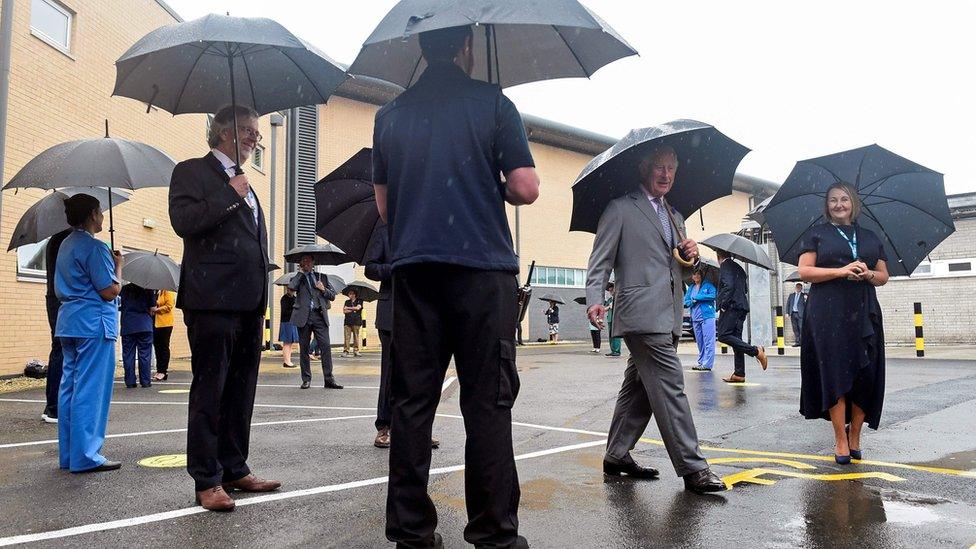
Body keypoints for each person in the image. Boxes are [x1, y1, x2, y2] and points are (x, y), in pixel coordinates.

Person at [372, 24, 540, 549]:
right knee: (486, 405)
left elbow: (383, 207)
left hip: (415, 271)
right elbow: (526, 188)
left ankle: (412, 532)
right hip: (480, 272)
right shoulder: (493, 104)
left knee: (411, 404)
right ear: (467, 46)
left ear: (421, 47)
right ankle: (493, 533)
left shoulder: (389, 115)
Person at [585, 145, 725, 495]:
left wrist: (690, 256)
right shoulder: (620, 209)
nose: (666, 175)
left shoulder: (675, 215)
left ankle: (617, 455)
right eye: (659, 168)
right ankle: (693, 468)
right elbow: (600, 260)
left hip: (671, 312)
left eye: (671, 170)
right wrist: (595, 300)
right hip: (640, 312)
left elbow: (676, 265)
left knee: (639, 389)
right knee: (669, 384)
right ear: (644, 169)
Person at [169, 104, 280, 512]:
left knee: (241, 390)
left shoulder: (246, 183)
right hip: (211, 300)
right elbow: (185, 222)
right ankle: (207, 478)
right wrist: (228, 195)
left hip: (249, 302)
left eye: (257, 133)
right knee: (210, 390)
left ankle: (234, 466)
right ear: (223, 132)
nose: (255, 138)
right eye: (249, 131)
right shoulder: (191, 172)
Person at [797, 182, 889, 464]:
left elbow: (883, 275)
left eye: (844, 199)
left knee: (866, 373)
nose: (839, 204)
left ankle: (856, 436)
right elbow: (804, 271)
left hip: (864, 311)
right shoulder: (817, 234)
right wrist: (841, 271)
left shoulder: (870, 236)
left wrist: (867, 274)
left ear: (854, 203)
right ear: (827, 205)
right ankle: (840, 439)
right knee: (835, 374)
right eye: (833, 200)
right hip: (828, 312)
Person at [54, 193, 123, 473]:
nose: (103, 216)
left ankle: (70, 454)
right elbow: (109, 291)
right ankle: (86, 455)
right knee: (91, 390)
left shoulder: (64, 245)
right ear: (93, 215)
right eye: (100, 211)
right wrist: (118, 266)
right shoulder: (95, 248)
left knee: (69, 387)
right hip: (94, 324)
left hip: (69, 322)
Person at [365, 226, 441, 451]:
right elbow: (370, 268)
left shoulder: (422, 232)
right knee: (389, 374)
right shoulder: (384, 232)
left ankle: (416, 430)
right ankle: (384, 427)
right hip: (390, 313)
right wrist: (394, 269)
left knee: (418, 375)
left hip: (418, 311)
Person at [287, 255, 341, 390]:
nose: (306, 263)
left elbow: (332, 296)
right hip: (303, 317)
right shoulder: (297, 278)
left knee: (325, 347)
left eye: (308, 261)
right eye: (303, 261)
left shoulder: (322, 277)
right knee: (304, 349)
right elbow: (291, 288)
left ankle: (329, 379)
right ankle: (306, 379)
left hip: (319, 316)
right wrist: (300, 273)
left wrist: (323, 289)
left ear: (313, 263)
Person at [716, 249, 768, 382]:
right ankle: (739, 374)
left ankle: (756, 351)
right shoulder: (738, 268)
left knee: (723, 335)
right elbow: (744, 288)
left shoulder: (725, 266)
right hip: (741, 307)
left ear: (718, 256)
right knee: (736, 339)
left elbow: (729, 286)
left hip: (731, 307)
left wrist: (723, 305)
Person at [42, 228, 71, 424]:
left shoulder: (55, 239)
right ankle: (55, 407)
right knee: (62, 349)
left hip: (54, 298)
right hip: (62, 300)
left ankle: (52, 405)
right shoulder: (67, 239)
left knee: (58, 349)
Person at [120, 283, 155, 388]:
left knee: (128, 355)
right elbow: (153, 309)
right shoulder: (148, 289)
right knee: (145, 354)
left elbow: (119, 305)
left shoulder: (124, 289)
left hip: (128, 324)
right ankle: (145, 381)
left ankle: (130, 381)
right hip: (144, 325)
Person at [684, 269, 717, 371]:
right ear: (692, 277)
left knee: (708, 341)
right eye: (694, 274)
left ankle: (707, 364)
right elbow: (686, 302)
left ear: (701, 275)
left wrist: (699, 297)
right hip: (695, 318)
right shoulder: (691, 288)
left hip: (707, 316)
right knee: (700, 342)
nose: (696, 276)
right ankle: (701, 362)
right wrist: (692, 301)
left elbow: (713, 295)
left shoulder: (708, 285)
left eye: (698, 274)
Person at [151, 289, 175, 381]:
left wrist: (156, 310)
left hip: (165, 324)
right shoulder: (156, 292)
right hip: (156, 323)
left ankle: (163, 371)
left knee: (163, 346)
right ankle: (159, 369)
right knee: (157, 346)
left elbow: (169, 306)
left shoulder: (167, 291)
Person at [278, 287, 299, 368]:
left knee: (290, 342)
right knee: (287, 342)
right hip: (286, 322)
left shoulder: (295, 298)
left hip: (293, 322)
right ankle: (286, 361)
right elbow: (285, 311)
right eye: (291, 289)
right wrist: (294, 308)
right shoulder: (284, 298)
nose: (292, 291)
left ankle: (288, 360)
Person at [342, 289, 363, 357]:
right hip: (347, 321)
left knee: (356, 337)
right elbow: (344, 311)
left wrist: (348, 308)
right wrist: (353, 310)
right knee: (346, 337)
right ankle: (346, 351)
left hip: (356, 321)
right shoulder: (346, 301)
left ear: (354, 294)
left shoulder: (359, 300)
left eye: (351, 294)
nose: (349, 295)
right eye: (349, 294)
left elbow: (358, 308)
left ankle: (356, 351)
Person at [604, 282, 622, 357]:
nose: (610, 292)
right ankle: (613, 350)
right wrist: (609, 307)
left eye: (612, 290)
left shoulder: (619, 298)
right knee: (611, 335)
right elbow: (604, 309)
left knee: (616, 336)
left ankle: (617, 351)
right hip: (610, 319)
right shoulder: (610, 300)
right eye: (609, 291)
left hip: (617, 319)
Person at [786, 282, 807, 347]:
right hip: (793, 314)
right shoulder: (791, 295)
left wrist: (806, 299)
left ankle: (802, 342)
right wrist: (787, 313)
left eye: (799, 287)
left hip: (800, 314)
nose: (798, 288)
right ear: (795, 288)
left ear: (801, 288)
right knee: (795, 328)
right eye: (797, 287)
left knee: (801, 328)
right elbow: (788, 304)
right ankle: (797, 342)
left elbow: (807, 305)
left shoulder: (804, 295)